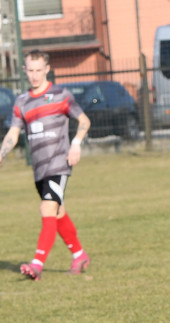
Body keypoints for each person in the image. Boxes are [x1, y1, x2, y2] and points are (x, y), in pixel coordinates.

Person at [0, 50, 91, 281]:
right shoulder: (22, 101)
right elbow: (13, 132)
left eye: (39, 70)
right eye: (30, 70)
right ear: (24, 70)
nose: (35, 75)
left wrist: (76, 144)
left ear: (47, 69)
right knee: (58, 212)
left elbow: (83, 120)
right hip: (39, 169)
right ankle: (79, 255)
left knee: (47, 209)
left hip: (59, 165)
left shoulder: (61, 95)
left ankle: (36, 265)